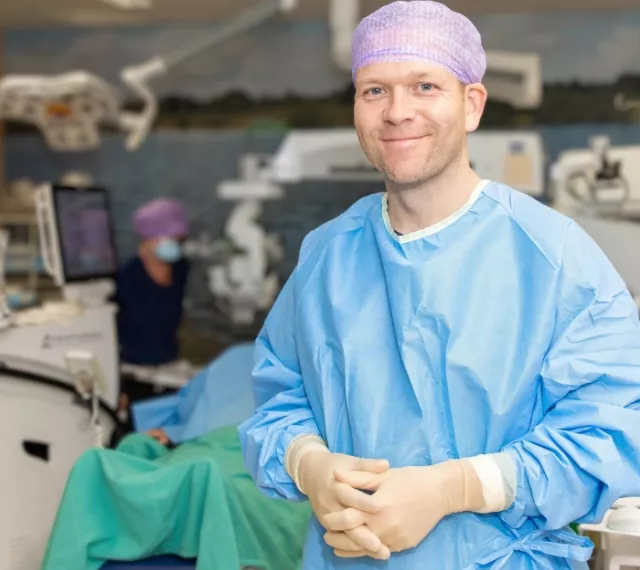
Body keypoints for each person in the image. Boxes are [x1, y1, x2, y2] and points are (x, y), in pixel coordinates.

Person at [238, 1, 640, 569]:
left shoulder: (555, 259)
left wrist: (457, 487)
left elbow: (613, 432)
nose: (397, 112)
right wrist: (308, 463)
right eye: (375, 91)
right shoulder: (327, 255)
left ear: (471, 104)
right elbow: (282, 394)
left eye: (425, 86)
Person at [114, 197, 191, 415]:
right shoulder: (129, 275)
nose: (175, 244)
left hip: (170, 363)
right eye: (170, 238)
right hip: (136, 369)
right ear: (148, 239)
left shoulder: (180, 269)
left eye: (179, 240)